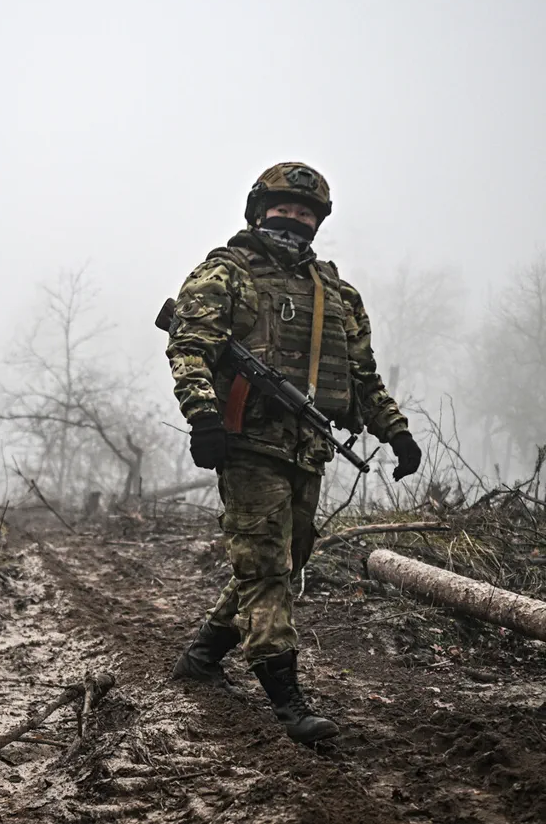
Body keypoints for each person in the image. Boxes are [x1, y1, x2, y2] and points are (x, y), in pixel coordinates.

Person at [164, 163, 422, 744]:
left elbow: (362, 376)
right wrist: (204, 416)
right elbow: (189, 347)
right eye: (283, 208)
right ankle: (288, 703)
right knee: (265, 571)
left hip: (308, 449)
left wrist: (395, 432)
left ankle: (202, 657)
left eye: (305, 212)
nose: (294, 218)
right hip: (247, 445)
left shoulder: (337, 293)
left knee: (287, 559)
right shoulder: (225, 272)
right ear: (259, 211)